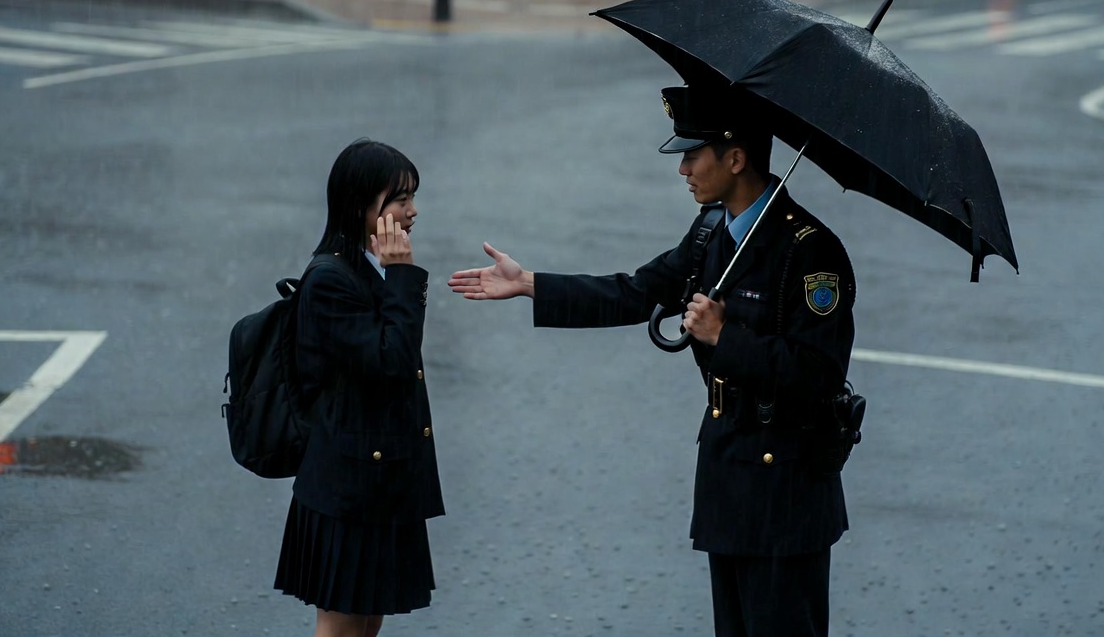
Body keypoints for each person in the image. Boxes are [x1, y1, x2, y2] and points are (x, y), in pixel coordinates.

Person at [447, 84, 857, 637]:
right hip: (729, 481)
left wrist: (723, 335)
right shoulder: (712, 230)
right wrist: (530, 285)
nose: (683, 167)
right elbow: (636, 291)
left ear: (735, 159)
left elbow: (819, 374)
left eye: (694, 153)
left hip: (786, 493)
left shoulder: (810, 252)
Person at [275, 139, 443, 637]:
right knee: (341, 626)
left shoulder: (365, 267)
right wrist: (403, 275)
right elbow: (393, 360)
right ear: (360, 205)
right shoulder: (331, 279)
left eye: (412, 198)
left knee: (368, 623)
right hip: (347, 487)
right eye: (400, 199)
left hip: (381, 480)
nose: (412, 212)